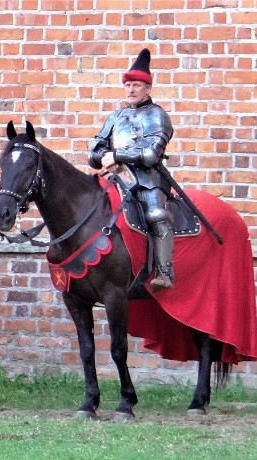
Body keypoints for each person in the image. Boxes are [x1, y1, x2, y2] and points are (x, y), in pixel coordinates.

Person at [89, 48, 175, 290]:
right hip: (116, 179)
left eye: (137, 85)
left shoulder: (156, 115)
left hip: (148, 180)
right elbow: (94, 148)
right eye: (128, 85)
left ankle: (164, 271)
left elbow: (150, 154)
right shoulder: (117, 116)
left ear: (147, 88)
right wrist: (103, 155)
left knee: (157, 214)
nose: (131, 89)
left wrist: (117, 154)